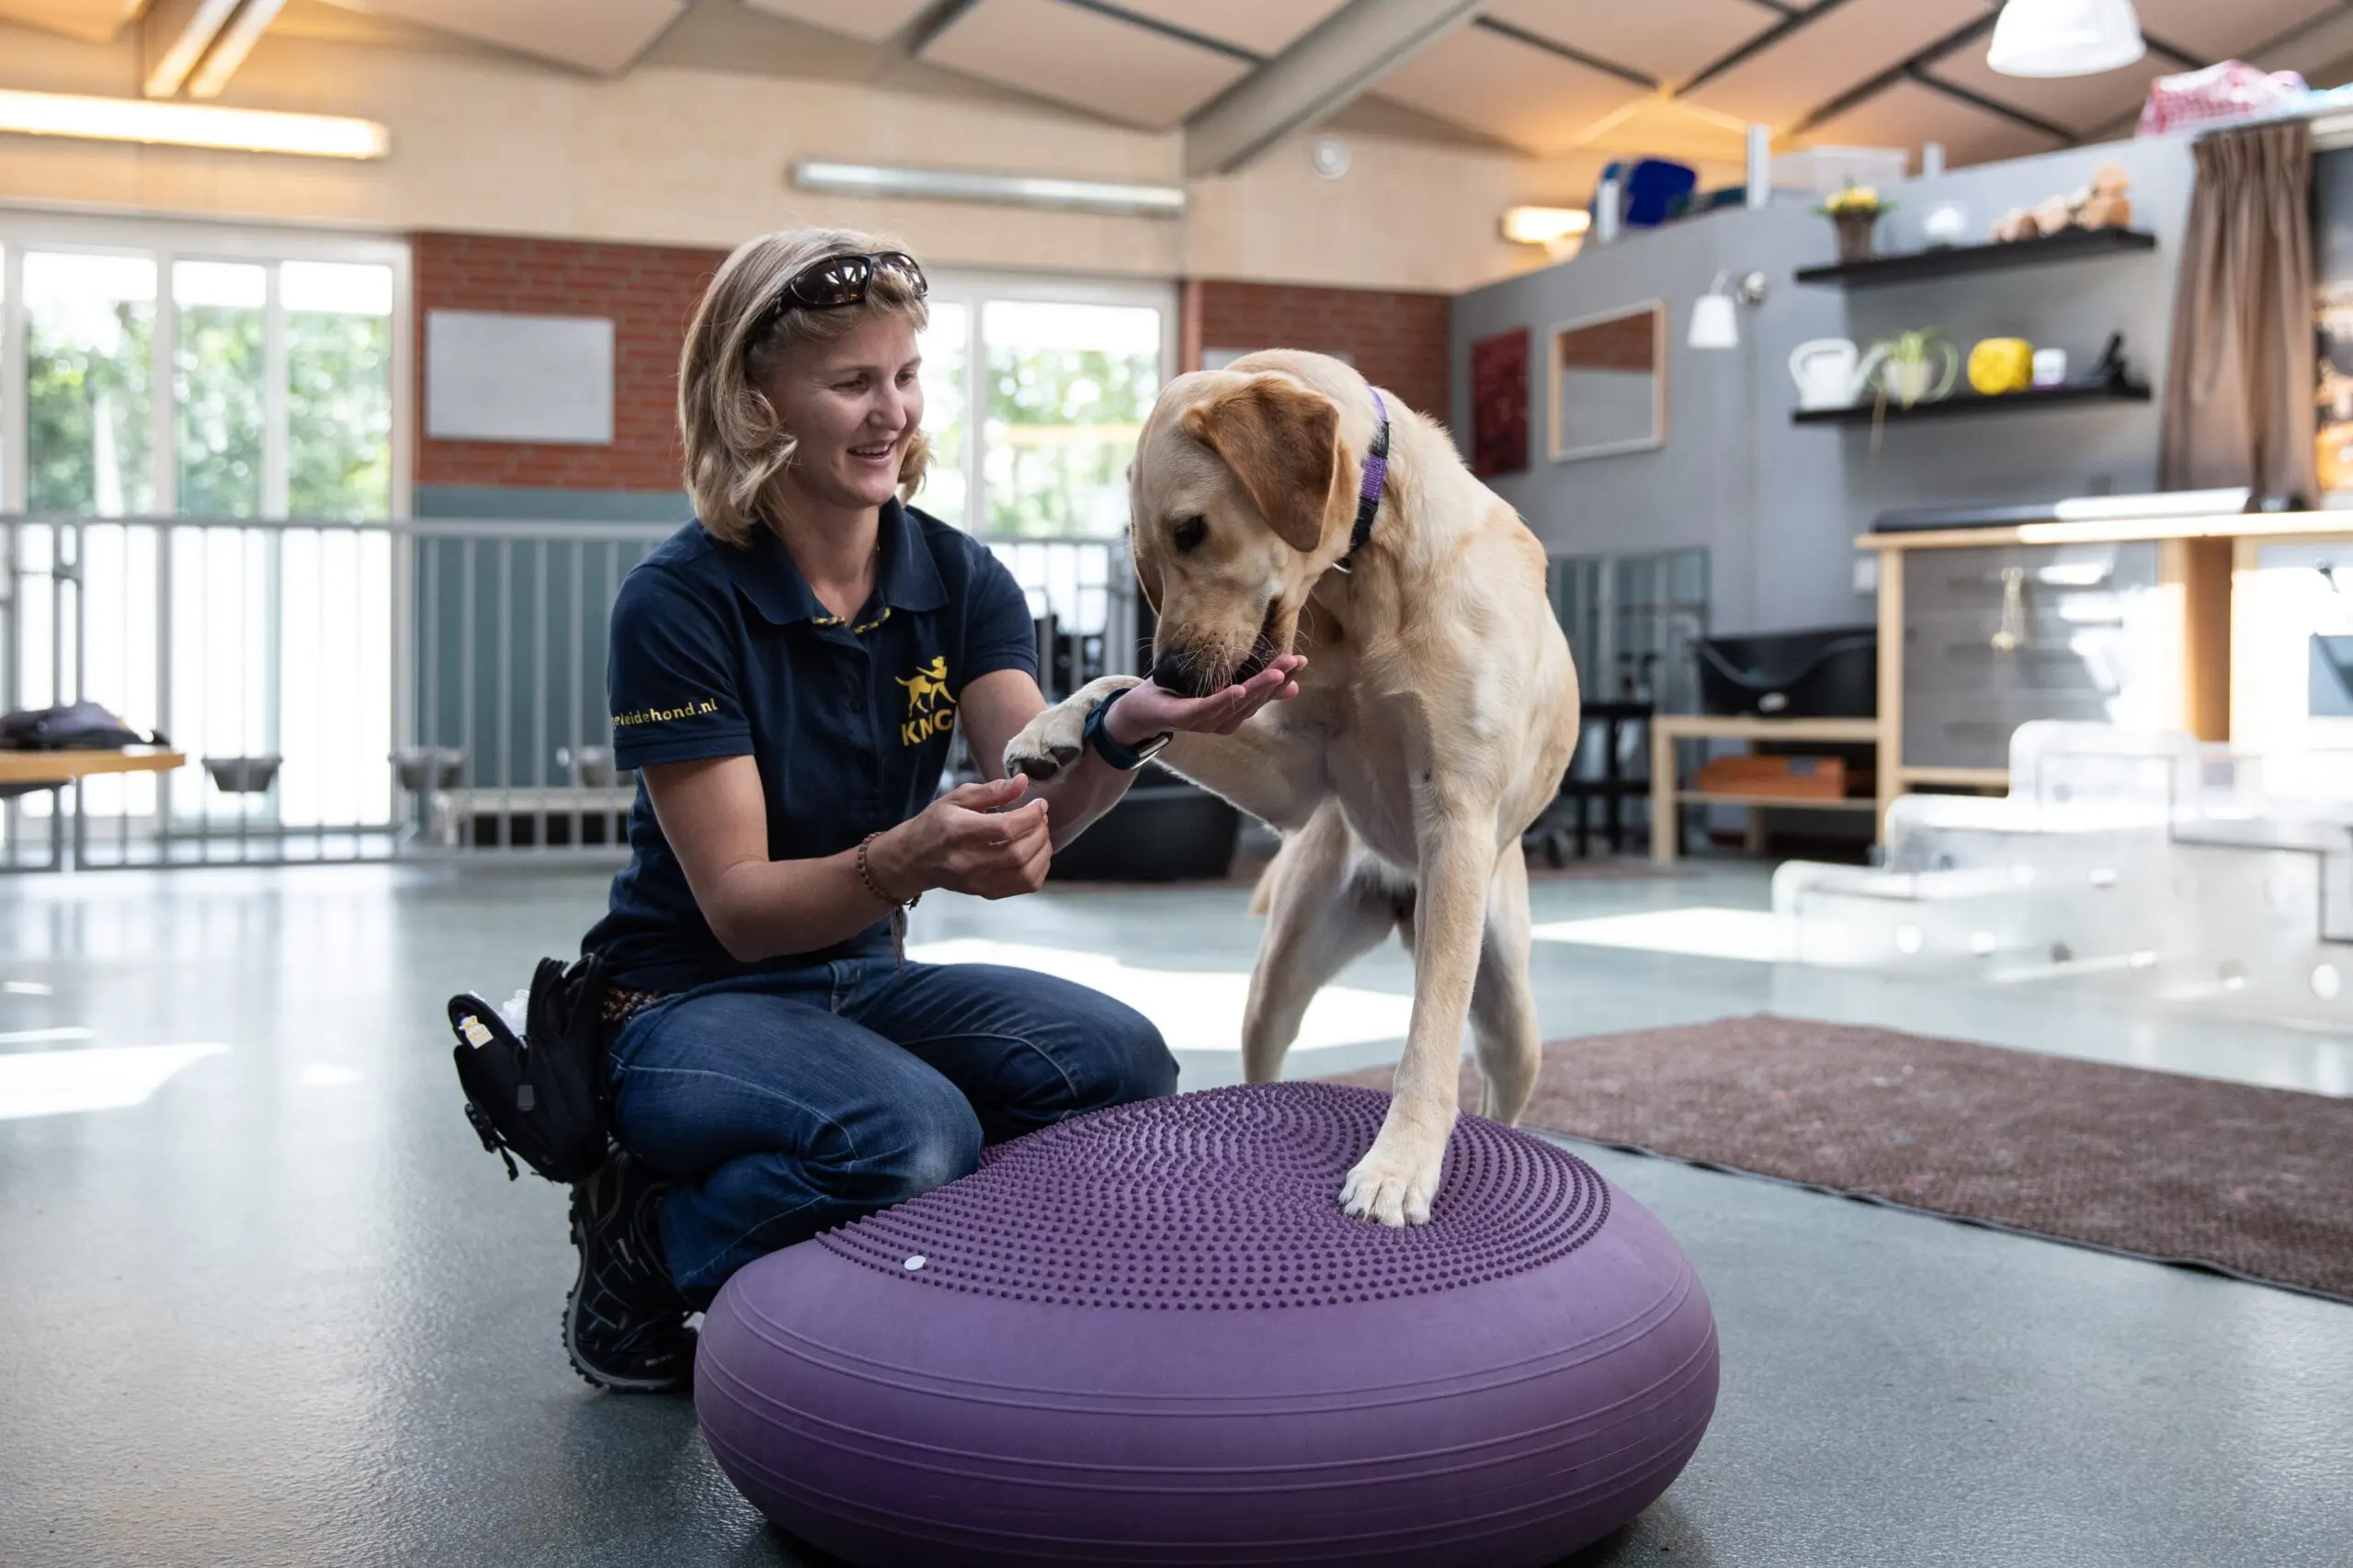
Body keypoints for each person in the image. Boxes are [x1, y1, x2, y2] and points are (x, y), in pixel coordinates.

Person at [563, 229, 1303, 1392]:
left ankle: (929, 1276)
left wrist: (1130, 721)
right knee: (906, 1136)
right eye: (851, 382)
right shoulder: (676, 602)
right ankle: (645, 1247)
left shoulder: (957, 576)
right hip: (683, 999)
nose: (891, 412)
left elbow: (1035, 803)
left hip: (861, 977)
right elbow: (743, 910)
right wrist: (903, 860)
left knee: (1118, 1061)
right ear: (756, 400)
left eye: (905, 376)